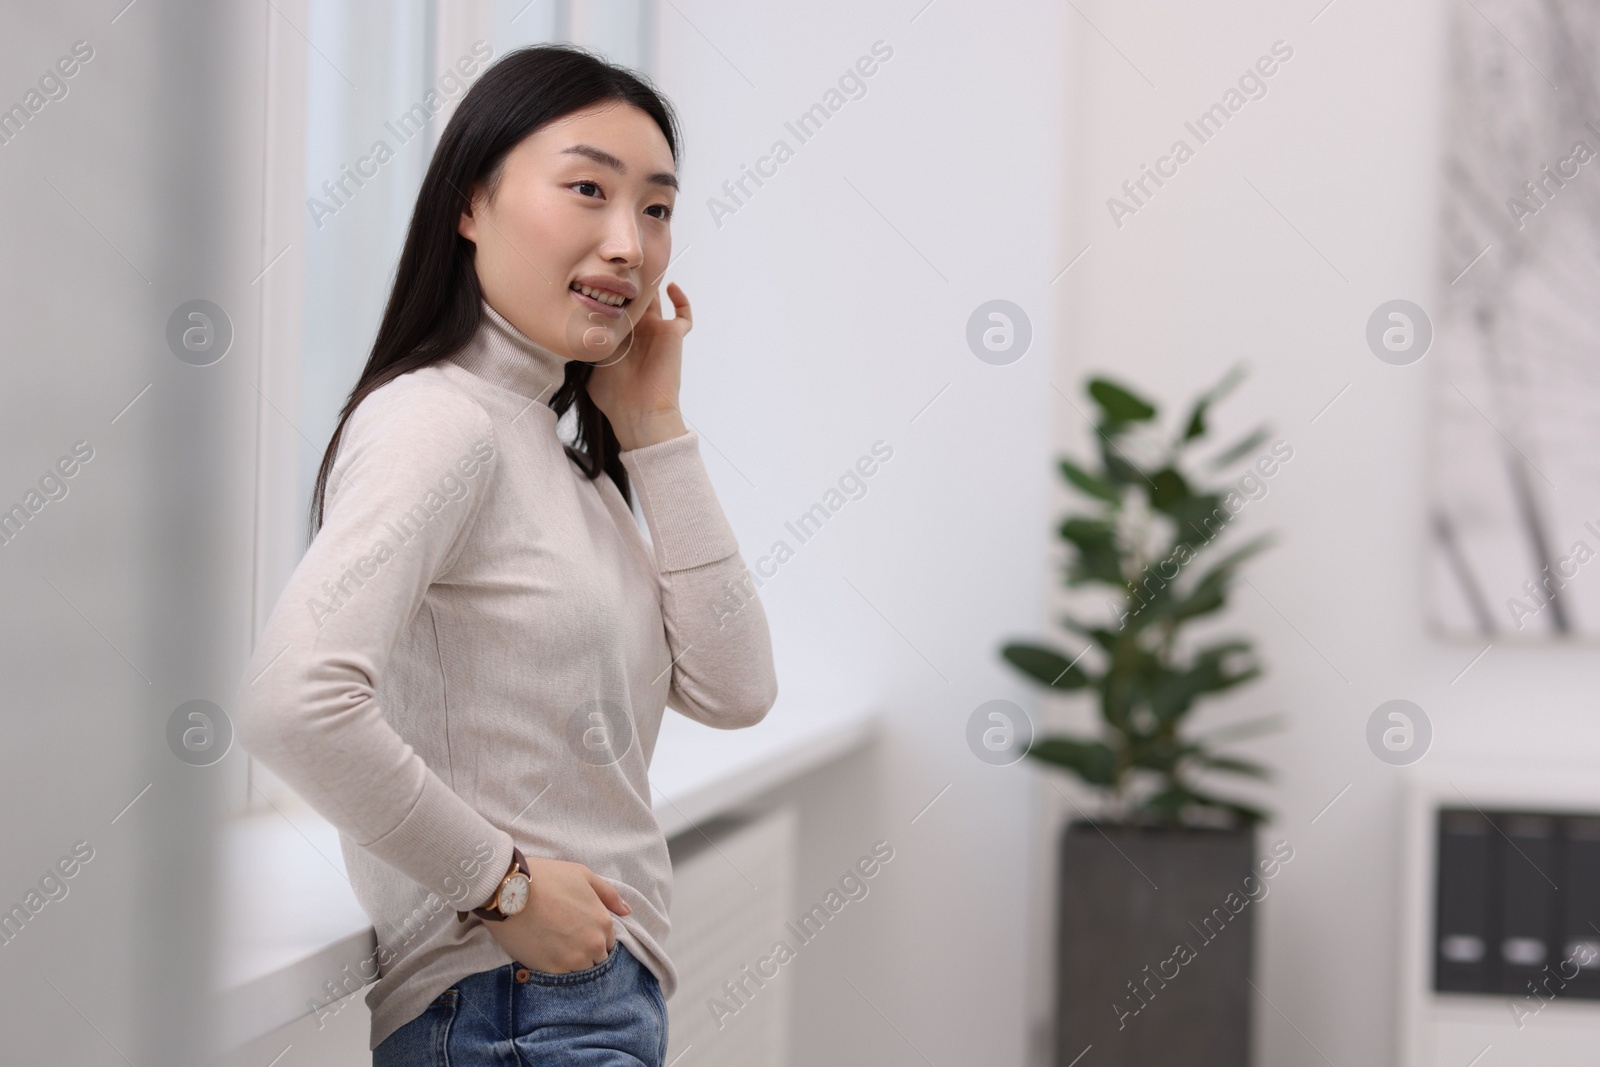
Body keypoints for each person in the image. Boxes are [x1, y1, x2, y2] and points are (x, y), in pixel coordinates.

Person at [233, 44, 778, 1066]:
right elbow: (291, 698)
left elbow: (737, 685)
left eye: (656, 208)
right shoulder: (439, 422)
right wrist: (505, 883)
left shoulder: (555, 447)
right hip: (511, 1004)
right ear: (469, 204)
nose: (628, 243)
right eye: (586, 190)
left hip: (573, 1000)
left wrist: (656, 427)